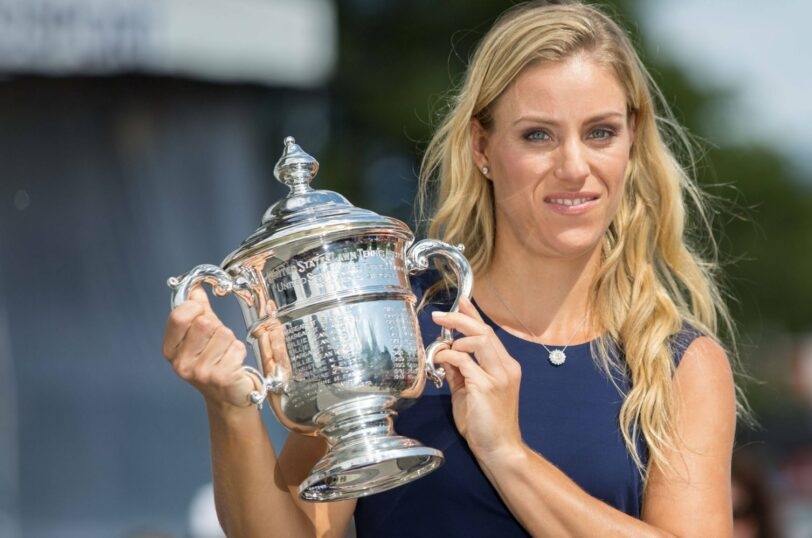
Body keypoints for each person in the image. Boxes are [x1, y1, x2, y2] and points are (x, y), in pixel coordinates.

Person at [161, 1, 740, 536]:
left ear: (632, 143)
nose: (573, 166)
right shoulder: (398, 322)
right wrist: (231, 411)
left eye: (600, 133)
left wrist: (507, 453)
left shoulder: (678, 364)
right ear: (481, 148)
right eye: (538, 135)